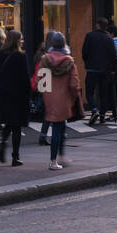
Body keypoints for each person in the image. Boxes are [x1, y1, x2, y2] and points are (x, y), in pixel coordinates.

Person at [36, 30, 83, 169]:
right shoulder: (69, 61)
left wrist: (48, 94)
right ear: (63, 44)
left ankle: (60, 157)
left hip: (50, 98)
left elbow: (41, 81)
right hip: (65, 98)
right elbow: (74, 84)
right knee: (59, 128)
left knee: (60, 127)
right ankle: (53, 161)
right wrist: (73, 97)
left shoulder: (45, 60)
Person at [0, 29, 30, 166]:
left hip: (3, 95)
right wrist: (28, 95)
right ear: (16, 41)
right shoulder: (20, 56)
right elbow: (25, 79)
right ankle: (15, 156)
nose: (23, 41)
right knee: (16, 126)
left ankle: (2, 144)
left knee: (9, 122)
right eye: (21, 39)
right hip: (17, 95)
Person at [81, 17, 117, 126]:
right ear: (106, 27)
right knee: (103, 94)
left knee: (89, 92)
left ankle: (94, 109)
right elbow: (113, 55)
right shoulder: (109, 39)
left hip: (92, 69)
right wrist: (113, 69)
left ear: (97, 25)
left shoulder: (90, 36)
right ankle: (102, 116)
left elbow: (84, 52)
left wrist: (87, 63)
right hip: (105, 71)